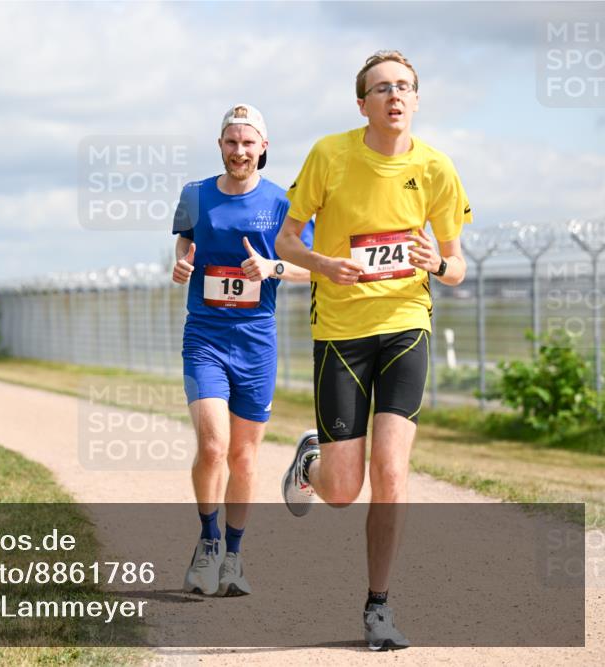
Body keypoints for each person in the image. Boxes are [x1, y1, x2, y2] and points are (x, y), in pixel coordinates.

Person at [275, 50, 471, 651]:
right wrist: (322, 263)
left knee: (391, 470)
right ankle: (311, 463)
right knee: (342, 491)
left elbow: (457, 265)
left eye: (404, 87)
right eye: (382, 88)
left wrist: (435, 263)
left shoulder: (436, 168)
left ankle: (378, 607)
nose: (395, 95)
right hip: (340, 331)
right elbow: (286, 239)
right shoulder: (329, 155)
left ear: (416, 100)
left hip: (406, 323)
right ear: (362, 104)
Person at [173, 104, 310, 597]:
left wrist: (273, 268)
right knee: (213, 446)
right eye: (231, 142)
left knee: (244, 457)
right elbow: (185, 244)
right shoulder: (195, 195)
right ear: (220, 145)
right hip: (205, 336)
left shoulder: (283, 203)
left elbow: (312, 267)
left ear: (263, 147)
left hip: (255, 341)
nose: (239, 151)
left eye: (248, 142)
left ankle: (233, 555)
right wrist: (182, 265)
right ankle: (208, 542)